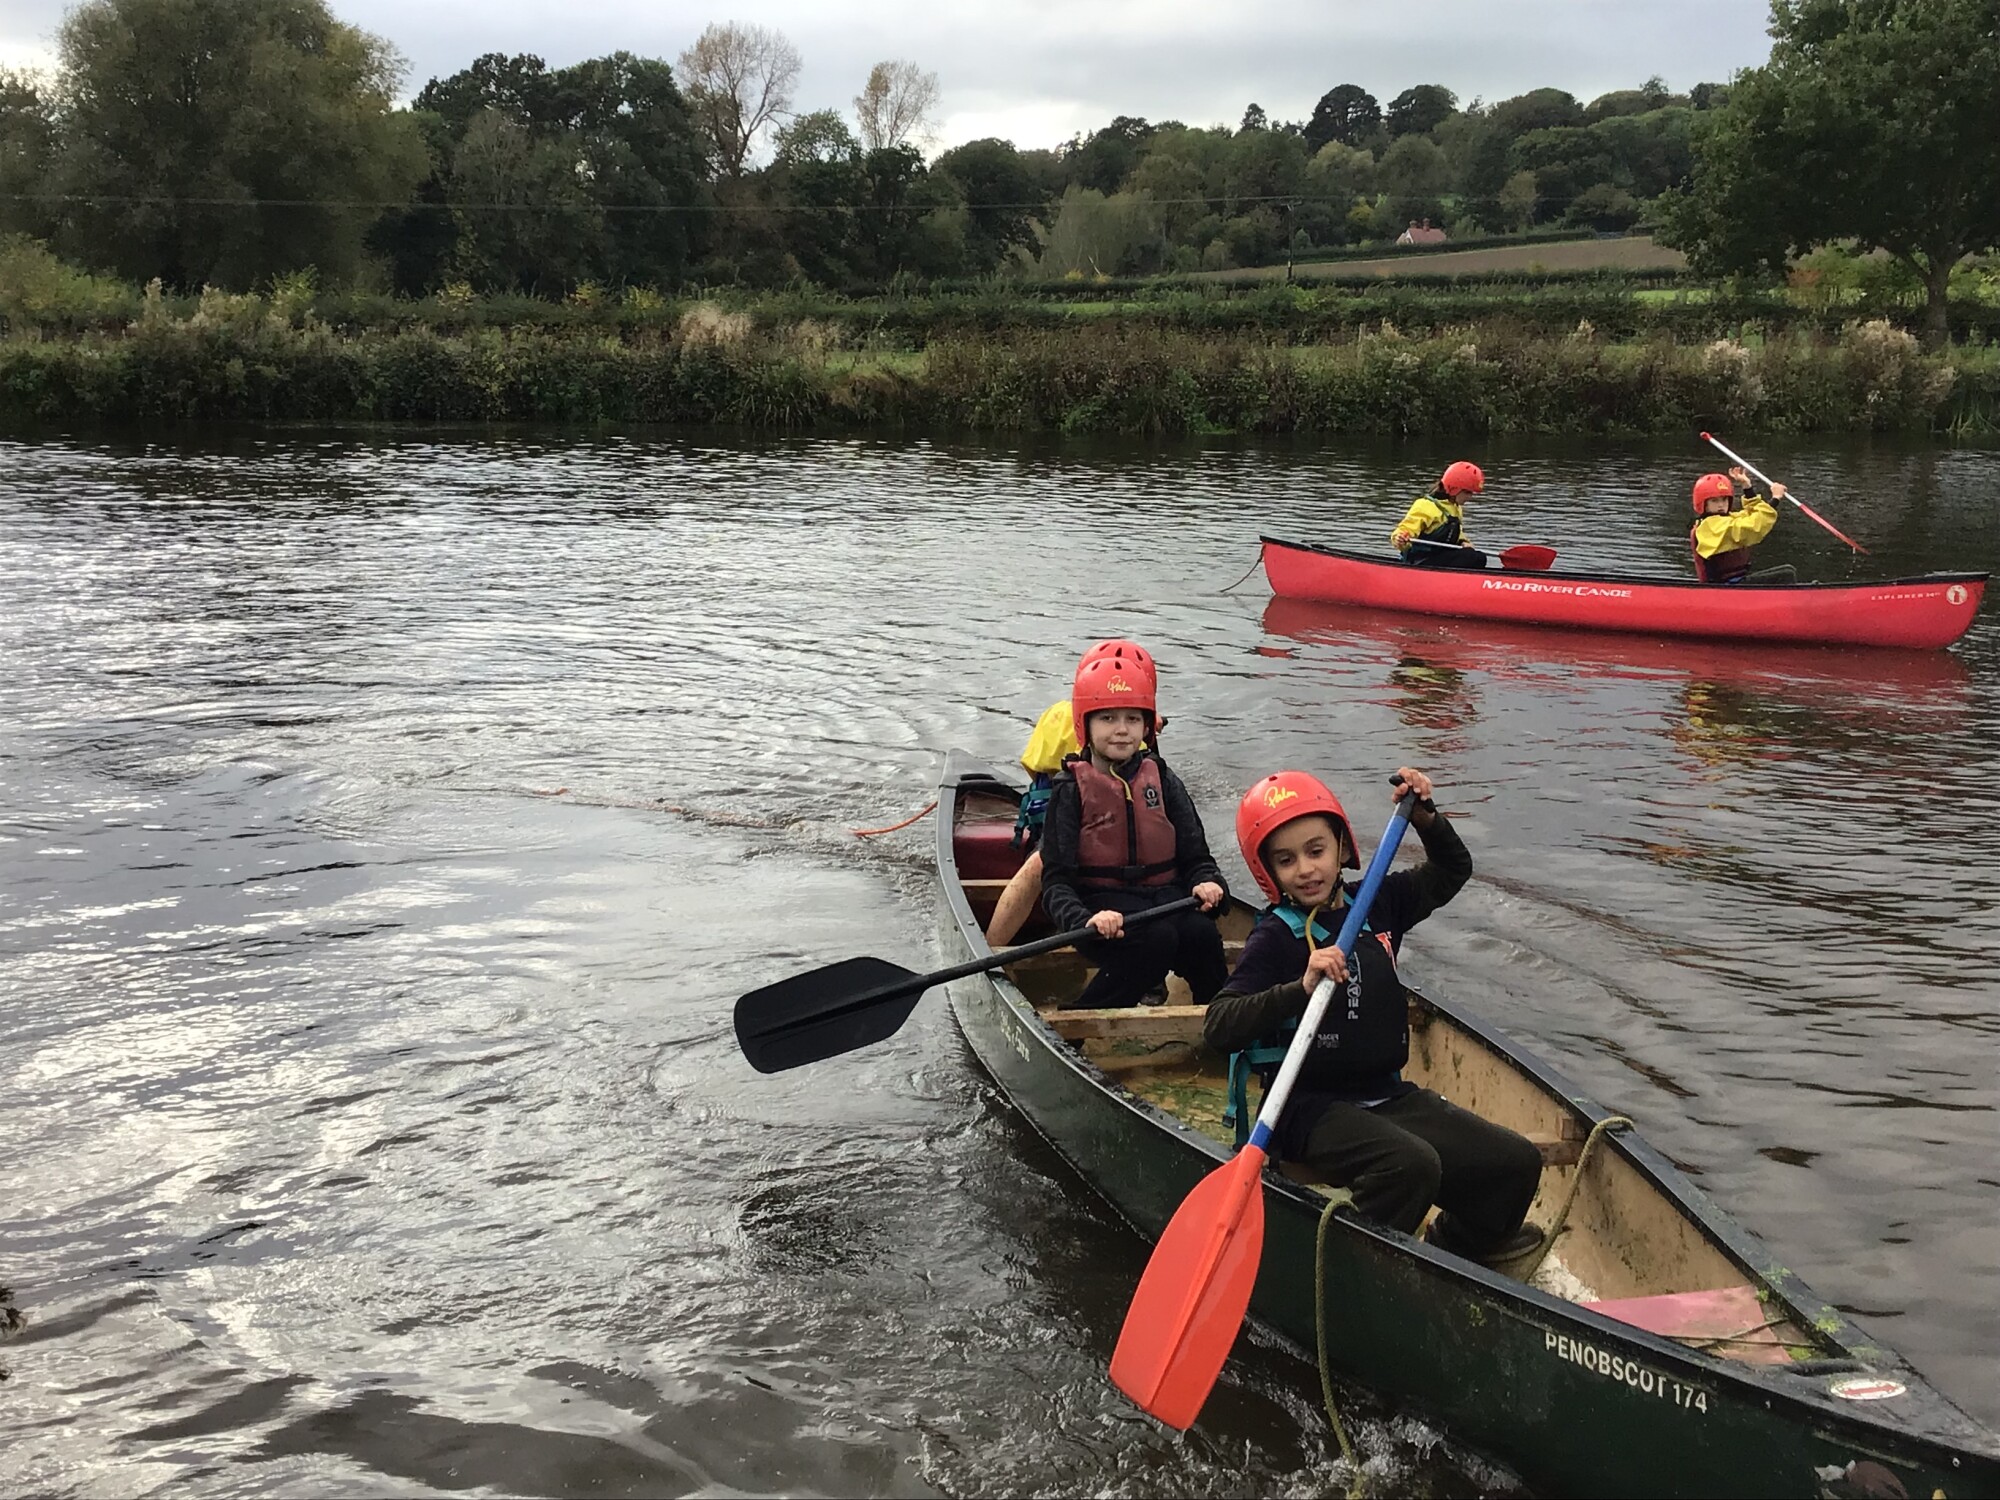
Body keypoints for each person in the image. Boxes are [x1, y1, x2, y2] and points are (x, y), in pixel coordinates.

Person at [1204, 768, 1544, 1262]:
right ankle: (1356, 1266)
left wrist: (1426, 818)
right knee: (1409, 1165)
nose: (1305, 868)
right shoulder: (1273, 938)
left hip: (1386, 1093)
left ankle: (1460, 1247)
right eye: (1286, 860)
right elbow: (1219, 1024)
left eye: (1316, 851)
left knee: (1514, 1163)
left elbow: (1452, 871)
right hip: (1305, 1109)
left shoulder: (1377, 902)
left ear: (1342, 848)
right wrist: (1298, 988)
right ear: (1268, 872)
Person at [1038, 641, 1228, 1010]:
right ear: (1085, 724)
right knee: (1155, 940)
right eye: (1108, 718)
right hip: (1101, 912)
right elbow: (1056, 883)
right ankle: (1078, 1020)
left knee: (1202, 934)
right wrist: (1085, 918)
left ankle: (1223, 1021)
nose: (1122, 730)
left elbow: (1197, 858)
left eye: (1132, 719)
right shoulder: (1069, 789)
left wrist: (1210, 884)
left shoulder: (1163, 778)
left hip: (1164, 901)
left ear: (1146, 725)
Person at [1689, 467, 1796, 585]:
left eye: (1724, 500)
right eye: (1714, 501)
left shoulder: (1727, 519)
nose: (1721, 505)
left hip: (1736, 582)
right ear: (1703, 504)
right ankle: (1791, 603)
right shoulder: (1711, 527)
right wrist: (1775, 499)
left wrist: (1747, 486)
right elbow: (1752, 526)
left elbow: (1751, 514)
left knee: (1788, 570)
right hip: (1725, 587)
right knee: (1786, 575)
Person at [1392, 461, 1489, 569]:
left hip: (1441, 557)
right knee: (1470, 557)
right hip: (1421, 561)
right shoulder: (1425, 505)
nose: (1470, 497)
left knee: (1480, 558)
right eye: (1467, 493)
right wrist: (1400, 538)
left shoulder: (1456, 508)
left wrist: (1463, 542)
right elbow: (1405, 529)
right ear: (1454, 489)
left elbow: (1457, 533)